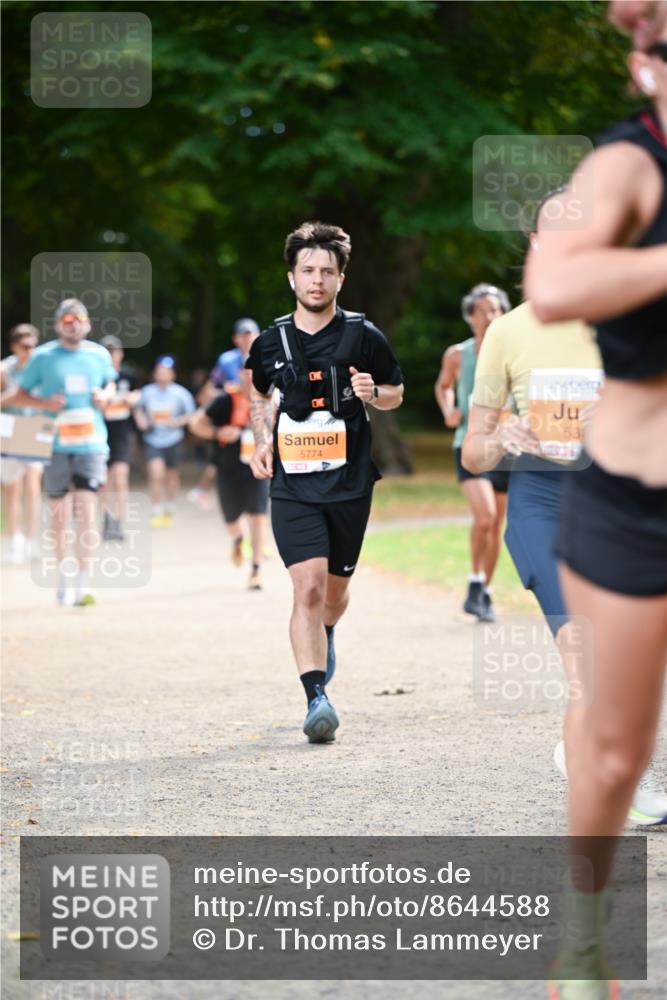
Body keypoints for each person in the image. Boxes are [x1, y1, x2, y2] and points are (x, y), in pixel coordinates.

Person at [524, 26, 667, 1000]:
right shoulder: (617, 163)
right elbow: (554, 282)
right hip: (635, 501)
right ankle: (580, 944)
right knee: (618, 753)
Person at [463, 190, 667, 829]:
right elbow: (472, 451)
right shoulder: (509, 330)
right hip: (542, 502)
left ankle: (586, 752)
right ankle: (621, 784)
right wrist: (503, 438)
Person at [246, 220, 404, 743]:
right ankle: (317, 696)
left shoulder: (364, 335)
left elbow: (396, 393)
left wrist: (371, 390)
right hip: (292, 485)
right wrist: (259, 440)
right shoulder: (271, 341)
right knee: (307, 588)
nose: (317, 280)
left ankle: (328, 630)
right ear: (292, 278)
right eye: (308, 271)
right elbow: (259, 395)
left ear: (340, 279)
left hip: (350, 483)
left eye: (327, 272)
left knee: (334, 595)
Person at [10, 300, 117, 605]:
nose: (74, 323)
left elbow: (110, 384)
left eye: (80, 318)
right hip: (55, 444)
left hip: (91, 443)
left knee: (86, 511)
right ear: (58, 325)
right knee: (59, 517)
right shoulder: (43, 357)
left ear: (88, 323)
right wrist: (45, 405)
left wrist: (105, 396)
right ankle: (63, 577)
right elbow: (20, 394)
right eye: (67, 319)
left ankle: (83, 583)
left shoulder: (99, 355)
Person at [434, 283, 511, 622]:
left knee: (497, 526)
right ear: (470, 317)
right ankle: (475, 582)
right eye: (482, 311)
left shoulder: (515, 354)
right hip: (469, 444)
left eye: (495, 310)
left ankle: (483, 592)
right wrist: (448, 410)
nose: (489, 316)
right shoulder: (457, 355)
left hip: (507, 449)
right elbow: (443, 385)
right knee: (486, 516)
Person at [189, 365, 270, 589]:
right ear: (240, 375)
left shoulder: (271, 399)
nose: (251, 376)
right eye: (247, 371)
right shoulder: (226, 400)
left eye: (256, 371)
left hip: (259, 468)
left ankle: (256, 569)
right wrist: (217, 433)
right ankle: (237, 538)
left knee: (258, 515)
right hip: (228, 467)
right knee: (231, 518)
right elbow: (195, 423)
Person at [134, 356, 195, 527]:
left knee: (172, 475)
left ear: (173, 375)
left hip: (173, 439)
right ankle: (156, 509)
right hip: (153, 439)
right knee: (155, 474)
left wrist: (177, 422)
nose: (162, 375)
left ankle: (170, 506)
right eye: (159, 372)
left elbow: (191, 415)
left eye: (166, 372)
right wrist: (142, 422)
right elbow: (138, 410)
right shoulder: (146, 392)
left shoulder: (181, 393)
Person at [1, 324, 43, 562]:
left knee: (33, 484)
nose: (30, 350)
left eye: (33, 346)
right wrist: (16, 396)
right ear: (15, 347)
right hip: (10, 427)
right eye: (25, 346)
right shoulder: (5, 369)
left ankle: (31, 539)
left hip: (35, 427)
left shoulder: (42, 368)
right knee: (12, 488)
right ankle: (13, 540)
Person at [99, 334, 140, 541]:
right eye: (107, 351)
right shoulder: (97, 375)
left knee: (121, 478)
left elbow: (137, 394)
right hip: (101, 431)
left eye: (114, 351)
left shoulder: (128, 374)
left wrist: (132, 399)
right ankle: (107, 519)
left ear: (121, 354)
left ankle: (119, 522)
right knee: (104, 481)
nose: (111, 355)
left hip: (122, 432)